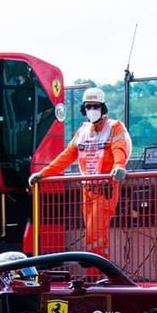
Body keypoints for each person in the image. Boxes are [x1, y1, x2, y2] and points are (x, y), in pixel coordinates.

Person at [28, 87, 131, 260]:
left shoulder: (115, 127)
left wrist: (119, 166)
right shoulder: (82, 131)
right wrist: (44, 173)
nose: (92, 110)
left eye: (95, 106)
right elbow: (66, 156)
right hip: (87, 190)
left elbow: (119, 148)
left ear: (102, 108)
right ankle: (97, 275)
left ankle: (95, 275)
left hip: (106, 189)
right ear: (84, 109)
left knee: (95, 232)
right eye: (89, 107)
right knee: (93, 233)